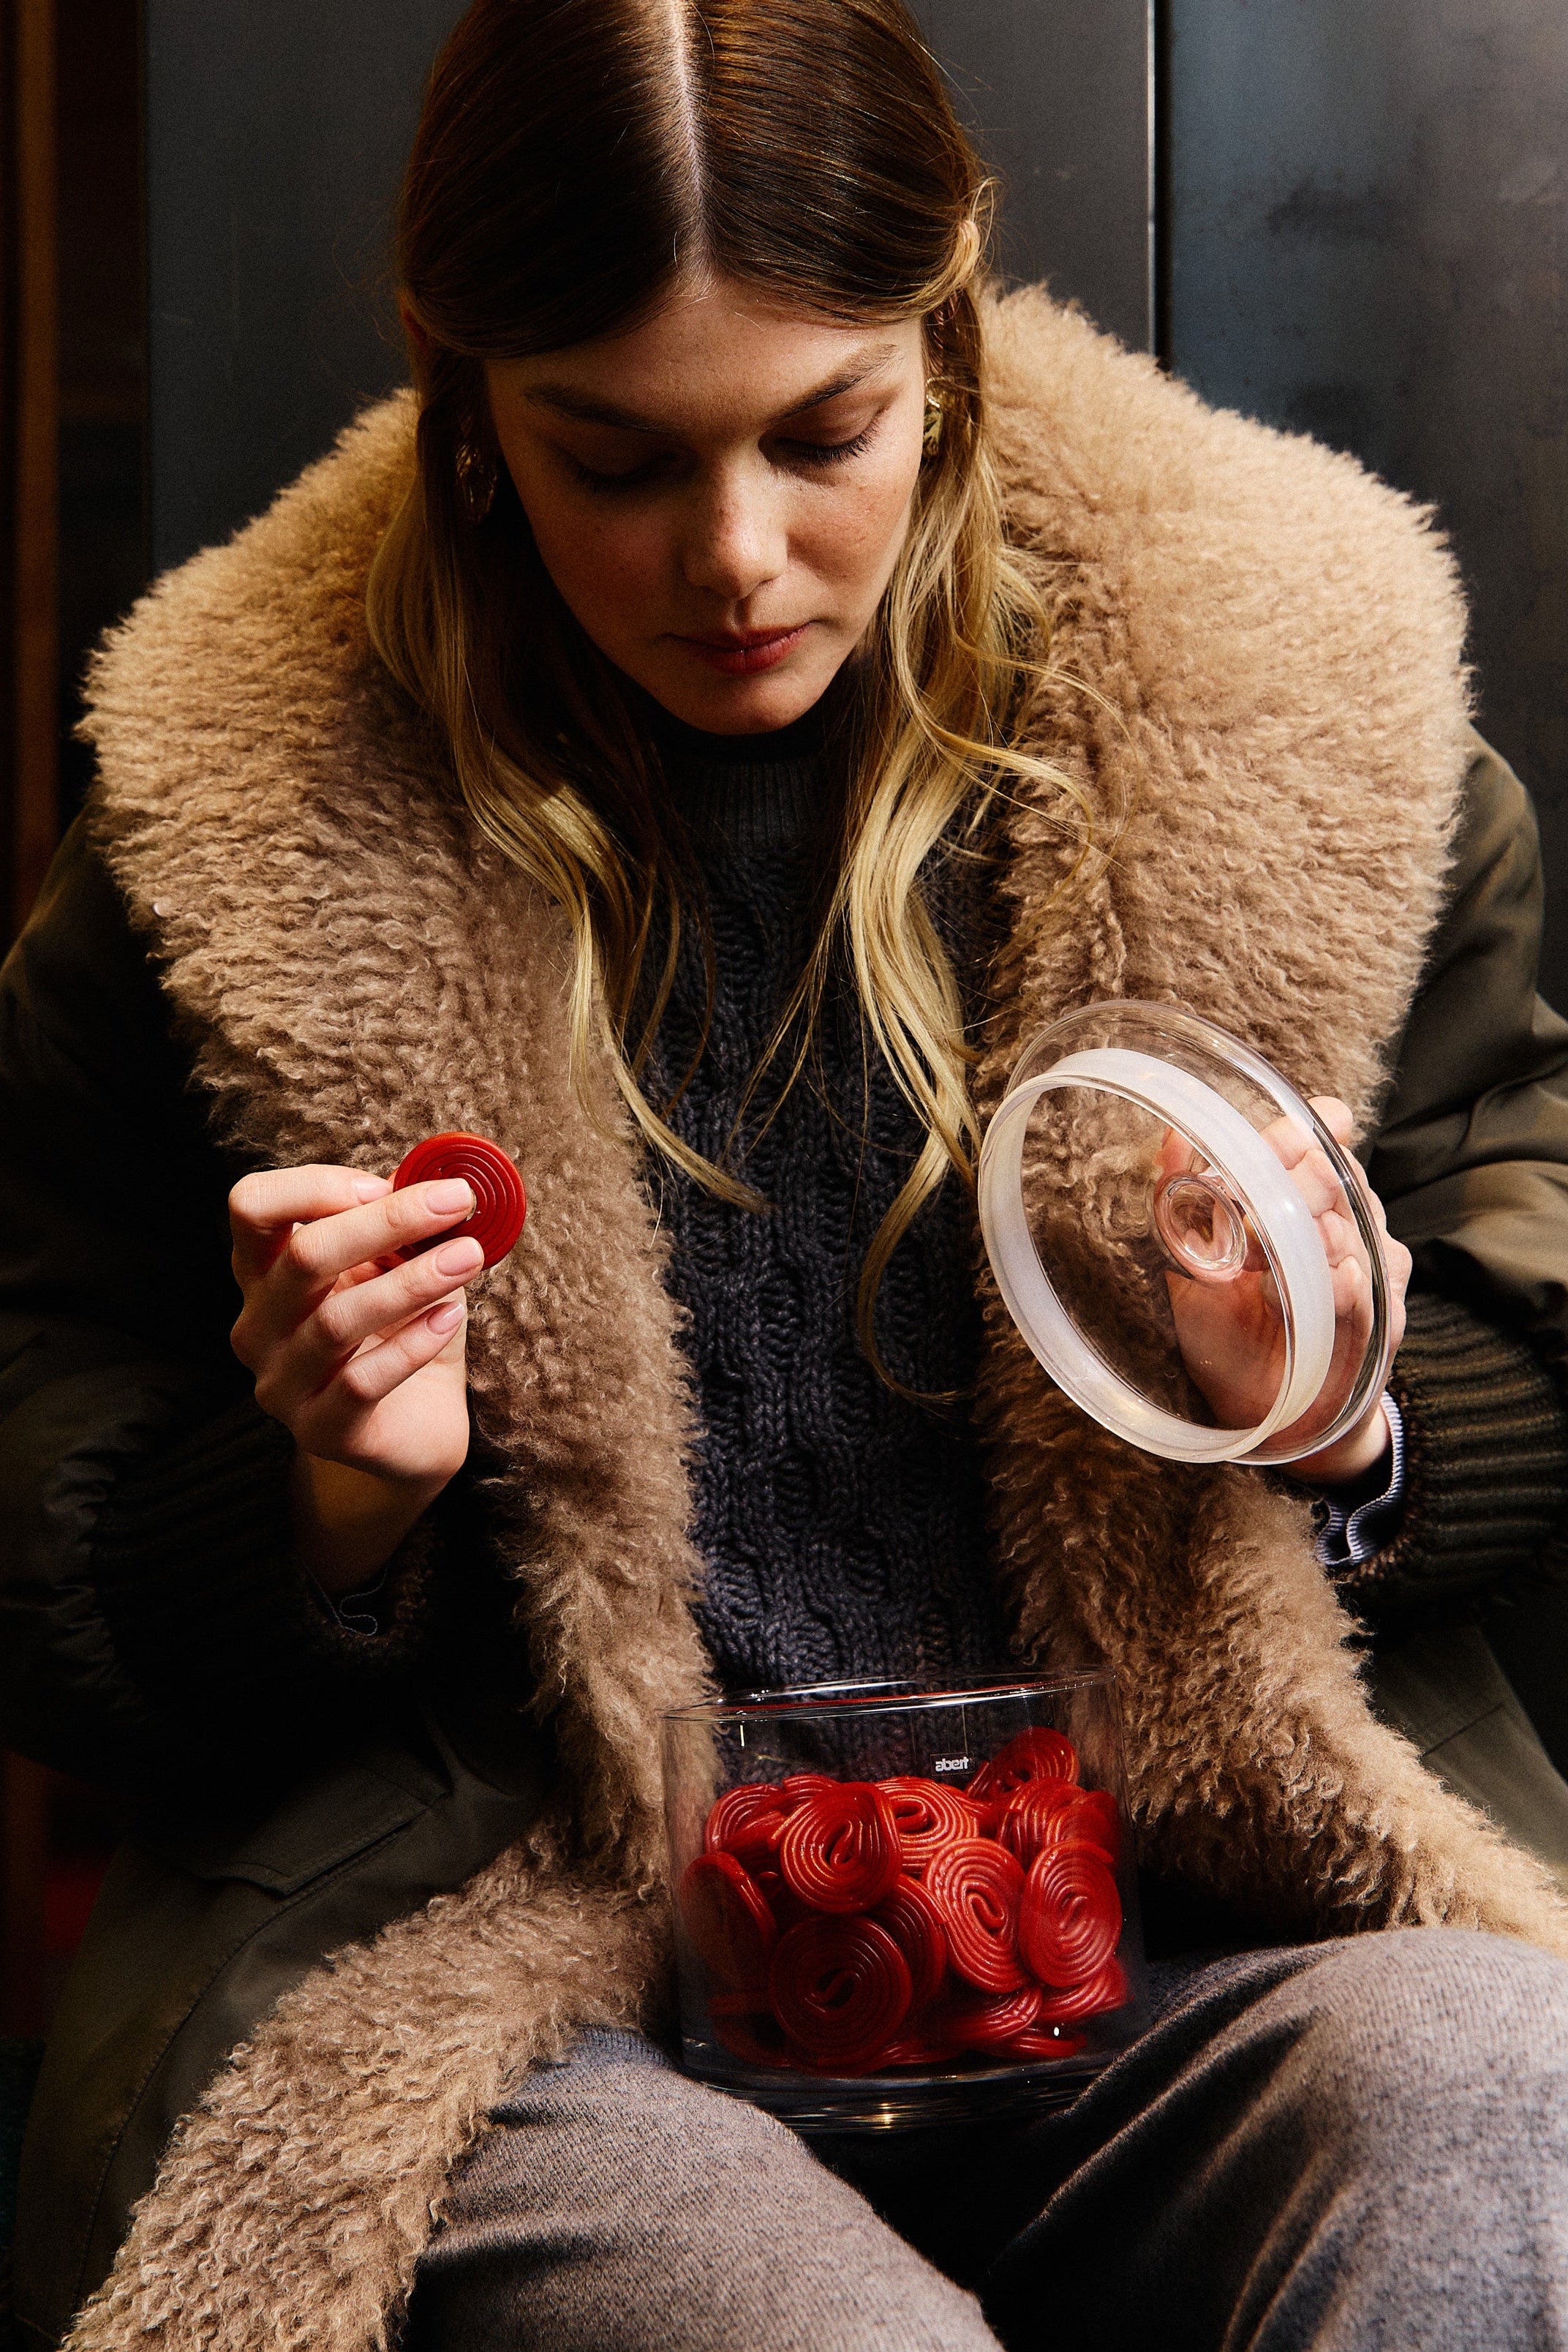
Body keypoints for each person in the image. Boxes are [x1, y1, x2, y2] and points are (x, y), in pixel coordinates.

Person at [5, 0, 1568, 2345]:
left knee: (1501, 2090)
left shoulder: (1298, 718)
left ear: (947, 341)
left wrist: (1340, 1403)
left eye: (826, 434)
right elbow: (44, 1513)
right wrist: (318, 1499)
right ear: (465, 406)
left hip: (1184, 1921)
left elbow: (1537, 1313)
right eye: (612, 457)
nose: (734, 558)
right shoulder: (229, 826)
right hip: (538, 1979)